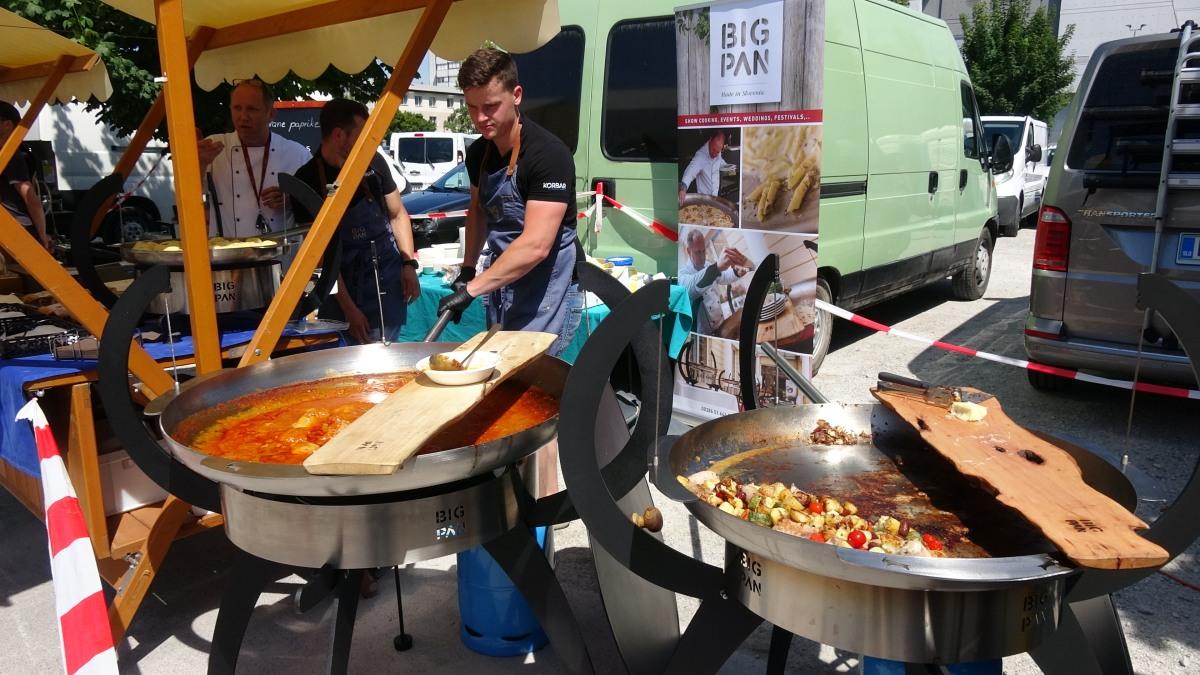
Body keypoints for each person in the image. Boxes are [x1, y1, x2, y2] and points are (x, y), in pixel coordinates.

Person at [437, 48, 582, 357]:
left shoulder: (548, 155)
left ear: (516, 95)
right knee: (499, 368)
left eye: (490, 106)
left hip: (548, 289)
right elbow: (478, 212)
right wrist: (467, 269)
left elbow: (536, 246)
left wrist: (472, 290)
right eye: (472, 107)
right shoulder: (479, 153)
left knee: (529, 376)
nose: (480, 118)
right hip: (503, 283)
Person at [293, 99, 420, 343]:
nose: (367, 143)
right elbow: (318, 255)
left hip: (385, 277)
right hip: (340, 287)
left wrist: (408, 264)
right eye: (361, 135)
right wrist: (349, 308)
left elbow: (397, 214)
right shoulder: (306, 180)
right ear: (339, 135)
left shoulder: (374, 162)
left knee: (387, 356)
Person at [198, 79, 310, 238]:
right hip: (230, 250)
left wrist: (291, 201)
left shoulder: (297, 154)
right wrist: (199, 164)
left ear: (271, 114)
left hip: (282, 251)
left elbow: (317, 206)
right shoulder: (215, 147)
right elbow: (188, 197)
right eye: (237, 108)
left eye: (252, 109)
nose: (243, 117)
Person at [679, 228, 751, 335]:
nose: (702, 256)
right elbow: (691, 288)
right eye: (698, 252)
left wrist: (736, 272)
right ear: (689, 251)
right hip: (705, 333)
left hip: (721, 323)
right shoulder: (683, 273)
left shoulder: (708, 265)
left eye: (703, 251)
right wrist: (716, 267)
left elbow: (723, 277)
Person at [0, 102, 51, 250]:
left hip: (17, 229)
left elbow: (30, 197)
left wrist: (42, 236)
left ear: (7, 125)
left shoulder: (12, 156)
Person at [679, 128, 734, 203]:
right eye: (713, 150)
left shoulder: (717, 150)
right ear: (710, 140)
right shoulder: (700, 156)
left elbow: (720, 163)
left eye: (717, 152)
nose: (714, 154)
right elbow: (690, 172)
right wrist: (683, 189)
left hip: (715, 197)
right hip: (703, 199)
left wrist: (733, 171)